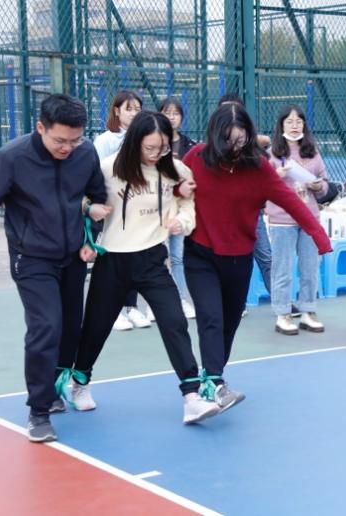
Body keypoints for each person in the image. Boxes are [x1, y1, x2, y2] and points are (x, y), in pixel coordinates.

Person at [69, 111, 221, 424]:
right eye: (149, 148)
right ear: (134, 142)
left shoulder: (174, 169)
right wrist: (89, 215)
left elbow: (187, 202)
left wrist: (182, 221)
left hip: (152, 259)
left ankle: (191, 397)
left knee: (174, 321)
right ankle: (79, 381)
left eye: (162, 148)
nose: (155, 154)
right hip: (113, 260)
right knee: (95, 328)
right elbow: (79, 198)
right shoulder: (108, 168)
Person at [181, 103, 331, 402]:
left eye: (240, 140)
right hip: (200, 254)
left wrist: (319, 236)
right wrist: (177, 190)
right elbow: (169, 183)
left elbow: (291, 201)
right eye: (227, 140)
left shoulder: (259, 168)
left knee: (229, 322)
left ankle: (212, 375)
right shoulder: (195, 157)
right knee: (211, 318)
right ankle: (214, 383)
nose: (234, 147)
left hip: (239, 258)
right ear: (215, 136)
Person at [0, 94, 110, 442]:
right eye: (60, 140)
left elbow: (97, 197)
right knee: (46, 327)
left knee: (70, 328)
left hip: (72, 256)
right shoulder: (11, 158)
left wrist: (91, 235)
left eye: (75, 140)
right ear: (41, 127)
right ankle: (38, 411)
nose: (68, 147)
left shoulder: (85, 154)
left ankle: (54, 388)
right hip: (31, 257)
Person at [267, 104, 331, 335]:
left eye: (298, 121)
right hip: (282, 219)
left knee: (310, 267)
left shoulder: (312, 152)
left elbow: (325, 184)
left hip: (309, 218)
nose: (294, 126)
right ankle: (283, 313)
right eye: (289, 121)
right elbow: (263, 185)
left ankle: (308, 311)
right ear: (281, 125)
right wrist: (277, 175)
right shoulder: (272, 154)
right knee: (282, 268)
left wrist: (318, 186)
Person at [94, 90, 150, 330]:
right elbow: (98, 174)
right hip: (111, 210)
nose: (134, 113)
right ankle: (113, 311)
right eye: (129, 108)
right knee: (112, 261)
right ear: (116, 111)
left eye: (138, 109)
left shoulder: (143, 138)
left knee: (134, 257)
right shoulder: (105, 140)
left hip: (135, 209)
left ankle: (131, 307)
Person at [218, 93, 273, 296]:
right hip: (222, 218)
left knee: (266, 258)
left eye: (235, 109)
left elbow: (266, 142)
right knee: (228, 262)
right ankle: (232, 304)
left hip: (252, 216)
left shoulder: (250, 144)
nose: (230, 114)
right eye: (225, 110)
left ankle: (282, 304)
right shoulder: (212, 147)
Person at [158, 97, 197, 320]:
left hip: (178, 212)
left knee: (177, 258)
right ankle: (157, 305)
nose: (171, 117)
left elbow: (189, 182)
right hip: (156, 214)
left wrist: (180, 191)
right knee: (158, 260)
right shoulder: (151, 142)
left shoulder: (189, 145)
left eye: (175, 113)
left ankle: (181, 299)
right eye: (167, 112)